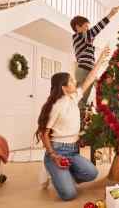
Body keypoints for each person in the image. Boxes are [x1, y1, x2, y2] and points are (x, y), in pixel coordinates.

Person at [34, 46, 110, 201]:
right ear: (63, 88)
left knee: (92, 173)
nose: (75, 82)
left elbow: (89, 79)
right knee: (69, 194)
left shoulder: (73, 98)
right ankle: (49, 165)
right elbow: (45, 135)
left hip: (73, 150)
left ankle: (61, 173)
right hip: (57, 150)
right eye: (71, 81)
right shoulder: (56, 106)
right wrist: (54, 156)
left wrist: (101, 59)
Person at [71, 6, 119, 127]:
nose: (88, 28)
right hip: (83, 71)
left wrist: (90, 45)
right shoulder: (78, 36)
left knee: (85, 100)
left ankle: (81, 125)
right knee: (81, 100)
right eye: (86, 26)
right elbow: (96, 29)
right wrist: (110, 15)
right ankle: (78, 127)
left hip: (87, 70)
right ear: (78, 27)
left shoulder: (84, 41)